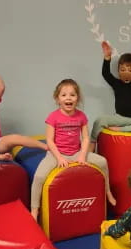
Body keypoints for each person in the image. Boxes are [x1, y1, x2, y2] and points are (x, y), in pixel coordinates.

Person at [30, 79, 116, 220]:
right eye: (64, 95)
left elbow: (86, 138)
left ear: (77, 98)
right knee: (39, 176)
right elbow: (50, 141)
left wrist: (82, 156)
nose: (68, 98)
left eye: (72, 95)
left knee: (102, 162)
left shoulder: (81, 116)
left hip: (76, 152)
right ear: (57, 99)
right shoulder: (53, 117)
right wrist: (59, 158)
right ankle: (34, 209)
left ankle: (108, 192)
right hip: (56, 153)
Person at [89, 40, 131, 152]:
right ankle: (91, 146)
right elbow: (106, 74)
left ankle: (122, 130)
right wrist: (107, 57)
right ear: (118, 71)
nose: (126, 72)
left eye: (130, 70)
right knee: (99, 120)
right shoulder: (116, 83)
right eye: (123, 69)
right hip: (118, 118)